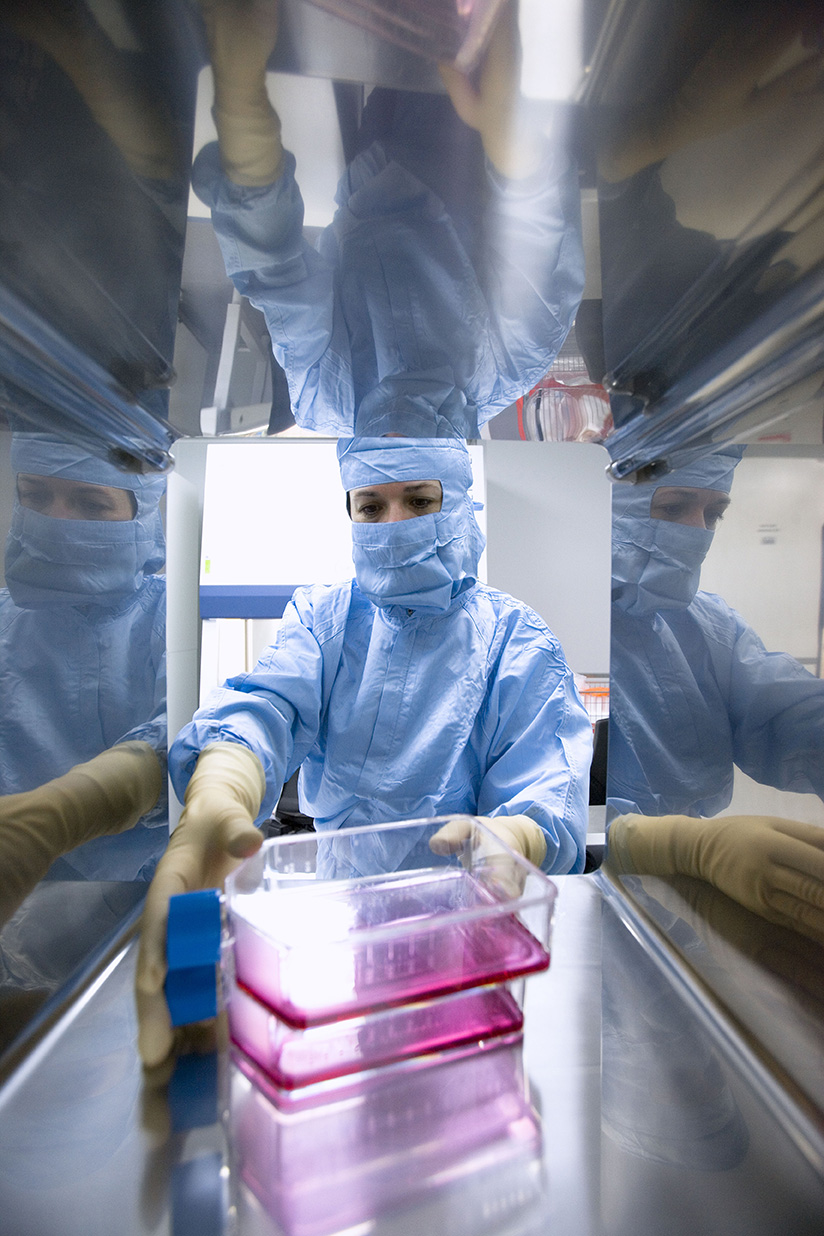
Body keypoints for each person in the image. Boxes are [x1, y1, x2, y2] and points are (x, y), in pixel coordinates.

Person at [136, 435, 592, 1064]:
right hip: (341, 929)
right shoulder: (323, 618)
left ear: (457, 503)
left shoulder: (516, 641)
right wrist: (221, 786)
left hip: (468, 930)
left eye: (419, 500)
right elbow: (268, 704)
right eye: (371, 507)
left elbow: (549, 789)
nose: (394, 525)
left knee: (457, 1085)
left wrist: (516, 836)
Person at [191, 0, 584, 437]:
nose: (395, 467)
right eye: (422, 497)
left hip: (373, 159)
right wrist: (504, 128)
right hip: (468, 143)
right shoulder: (516, 361)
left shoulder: (323, 397)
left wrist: (241, 98)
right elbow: (538, 220)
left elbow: (277, 273)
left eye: (371, 506)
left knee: (388, 43)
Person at [605, 446, 824, 945]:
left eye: (713, 512)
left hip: (686, 902)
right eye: (675, 507)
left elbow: (786, 714)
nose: (698, 530)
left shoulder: (705, 623)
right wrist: (678, 846)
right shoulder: (535, 626)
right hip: (563, 901)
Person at [0, 432, 168, 922]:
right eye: (35, 496)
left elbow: (184, 739)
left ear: (143, 516)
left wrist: (66, 811)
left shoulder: (176, 622)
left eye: (91, 503)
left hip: (146, 906)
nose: (57, 520)